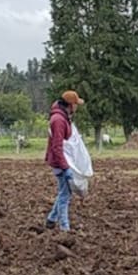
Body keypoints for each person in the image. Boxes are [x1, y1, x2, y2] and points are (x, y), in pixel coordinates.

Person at [45, 89, 84, 231]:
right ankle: (64, 228)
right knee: (65, 194)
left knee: (64, 191)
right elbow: (57, 147)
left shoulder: (63, 117)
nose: (77, 107)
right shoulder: (59, 120)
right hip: (60, 162)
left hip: (61, 161)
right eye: (76, 104)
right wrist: (65, 167)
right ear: (70, 105)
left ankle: (51, 219)